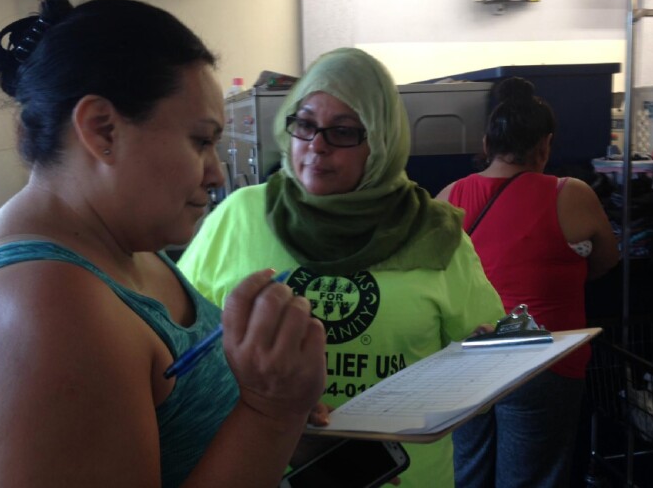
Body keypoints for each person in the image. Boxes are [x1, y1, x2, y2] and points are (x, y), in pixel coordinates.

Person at [0, 0, 327, 488]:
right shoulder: (53, 309)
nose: (216, 173)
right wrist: (270, 410)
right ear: (102, 129)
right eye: (201, 141)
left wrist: (280, 423)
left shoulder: (123, 245)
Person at [177, 47, 506, 488]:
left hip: (403, 476)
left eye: (344, 131)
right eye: (306, 124)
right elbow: (183, 348)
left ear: (382, 142)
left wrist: (487, 365)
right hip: (262, 469)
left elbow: (485, 369)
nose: (316, 145)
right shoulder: (238, 216)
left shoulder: (435, 234)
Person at [436, 76, 620, 487]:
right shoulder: (569, 194)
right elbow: (608, 260)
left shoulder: (448, 198)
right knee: (531, 478)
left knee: (466, 474)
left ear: (487, 143)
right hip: (543, 360)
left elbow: (433, 277)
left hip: (466, 359)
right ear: (545, 145)